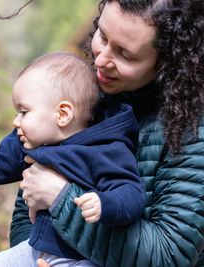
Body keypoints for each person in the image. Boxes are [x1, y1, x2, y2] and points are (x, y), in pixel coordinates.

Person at [11, 0, 204, 266]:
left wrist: (61, 198)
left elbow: (170, 253)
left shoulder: (192, 126)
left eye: (125, 54)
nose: (100, 60)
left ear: (168, 61)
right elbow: (29, 198)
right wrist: (36, 256)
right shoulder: (81, 93)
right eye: (102, 35)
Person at [0, 51, 146, 266]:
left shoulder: (105, 148)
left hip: (82, 258)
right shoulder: (30, 141)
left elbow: (131, 192)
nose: (16, 121)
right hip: (35, 251)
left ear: (62, 114)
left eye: (24, 111)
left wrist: (106, 204)